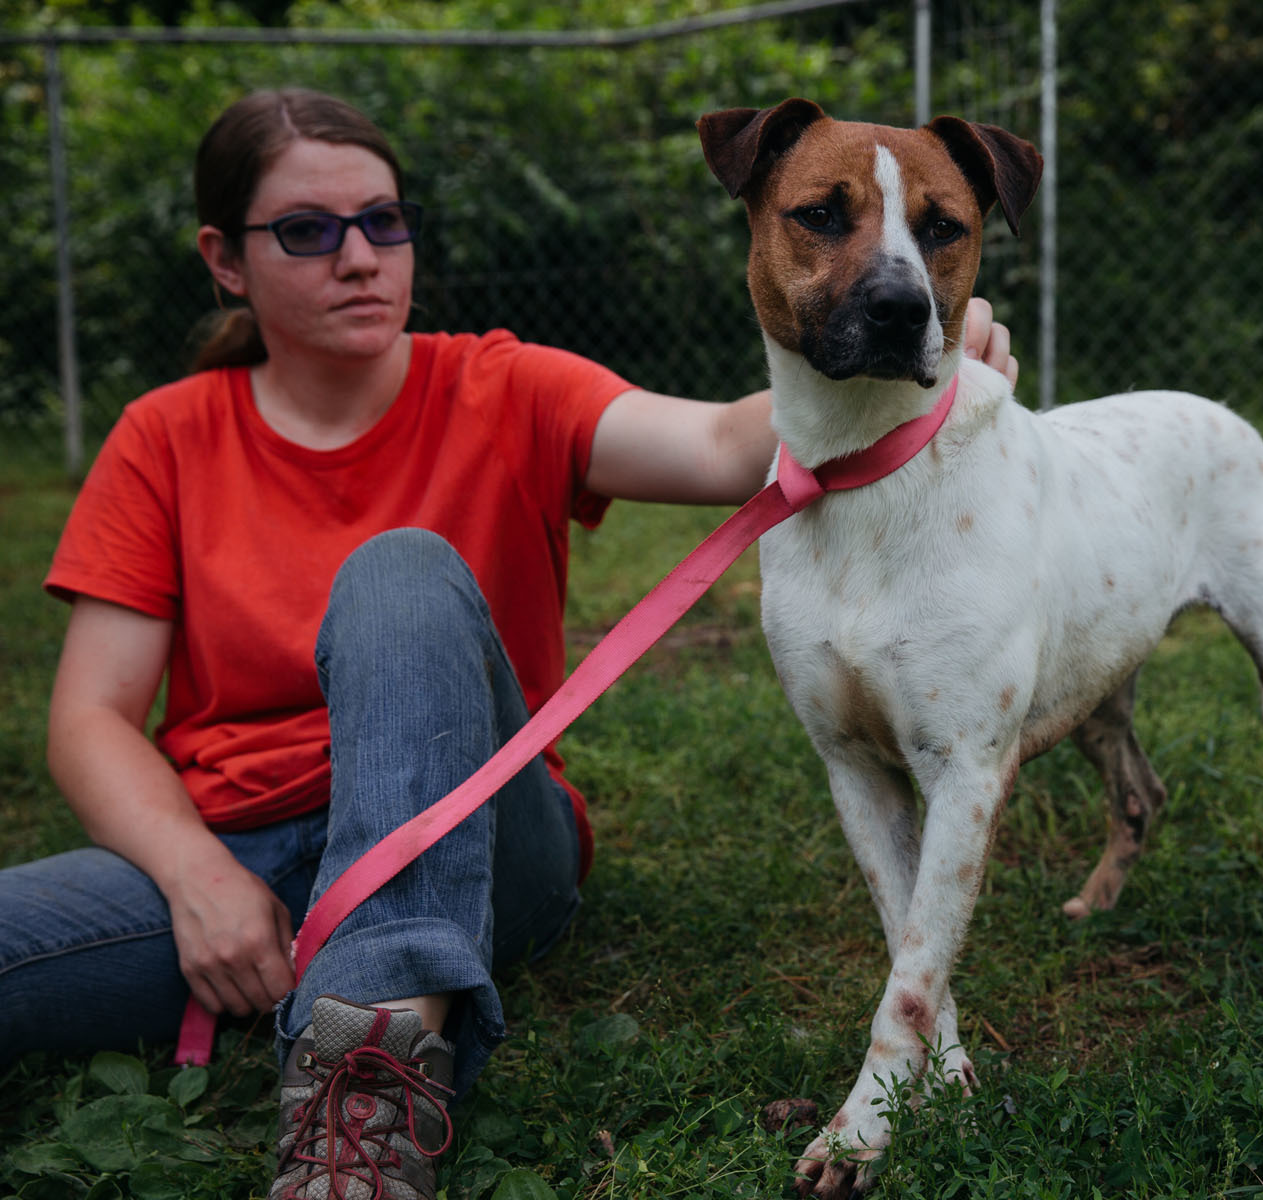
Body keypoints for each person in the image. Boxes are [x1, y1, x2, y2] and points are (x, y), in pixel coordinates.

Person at [0, 87, 1018, 1199]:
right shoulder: (164, 435)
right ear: (225, 260)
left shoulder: (501, 385)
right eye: (307, 230)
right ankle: (347, 972)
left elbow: (736, 441)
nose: (358, 257)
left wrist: (923, 326)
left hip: (484, 838)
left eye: (384, 222)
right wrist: (196, 879)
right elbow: (90, 719)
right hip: (238, 855)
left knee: (402, 566)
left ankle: (374, 1077)